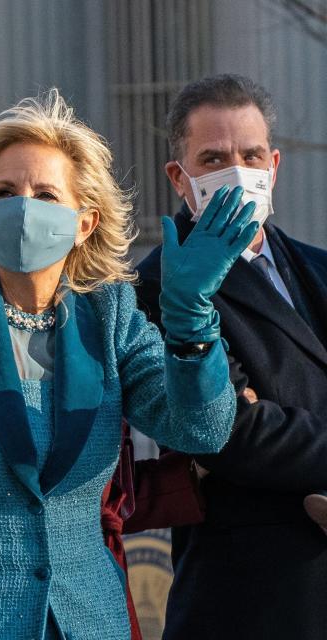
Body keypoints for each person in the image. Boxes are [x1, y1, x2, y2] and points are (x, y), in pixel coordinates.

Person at [0, 89, 254, 639]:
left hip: (87, 620)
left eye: (45, 193)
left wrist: (191, 319)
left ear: (84, 223)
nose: (24, 207)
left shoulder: (110, 317)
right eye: (5, 192)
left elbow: (201, 429)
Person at [135, 73, 327, 639]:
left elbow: (263, 417)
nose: (238, 171)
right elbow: (231, 433)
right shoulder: (161, 287)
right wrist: (249, 411)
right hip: (254, 598)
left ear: (274, 166)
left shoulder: (318, 268)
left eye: (250, 155)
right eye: (214, 157)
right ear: (180, 176)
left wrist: (271, 408)